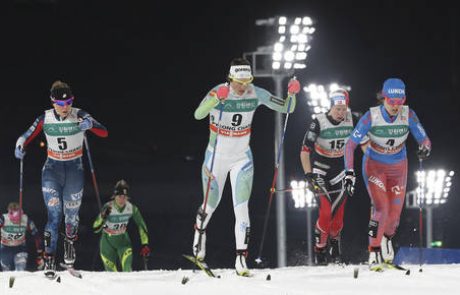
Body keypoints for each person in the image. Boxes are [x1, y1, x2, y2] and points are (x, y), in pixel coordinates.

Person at [191, 57, 300, 276]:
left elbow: (287, 108)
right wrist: (214, 101)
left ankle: (241, 258)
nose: (242, 87)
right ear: (230, 79)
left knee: (241, 208)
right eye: (238, 82)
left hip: (242, 158)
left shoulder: (255, 93)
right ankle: (199, 236)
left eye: (246, 81)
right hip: (216, 158)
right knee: (210, 206)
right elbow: (198, 114)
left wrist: (293, 94)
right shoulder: (218, 91)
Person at [14, 80, 108, 277]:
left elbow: (103, 131)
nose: (66, 107)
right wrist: (20, 145)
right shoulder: (45, 118)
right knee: (54, 215)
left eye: (69, 103)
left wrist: (90, 124)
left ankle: (69, 260)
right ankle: (49, 260)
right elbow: (26, 135)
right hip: (52, 170)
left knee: (71, 218)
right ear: (52, 102)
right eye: (61, 104)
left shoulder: (79, 114)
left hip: (74, 170)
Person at [343, 78, 431, 271]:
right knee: (381, 208)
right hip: (375, 166)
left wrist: (425, 148)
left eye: (399, 102)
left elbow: (424, 139)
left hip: (399, 167)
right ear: (384, 98)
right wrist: (349, 172)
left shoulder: (408, 115)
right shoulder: (370, 117)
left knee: (394, 216)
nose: (395, 106)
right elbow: (350, 145)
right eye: (391, 101)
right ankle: (374, 252)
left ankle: (387, 242)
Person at [300, 89, 368, 265]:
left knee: (338, 217)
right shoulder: (319, 122)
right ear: (331, 106)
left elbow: (364, 145)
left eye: (344, 109)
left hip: (341, 170)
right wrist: (309, 175)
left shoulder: (353, 119)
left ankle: (335, 248)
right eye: (337, 109)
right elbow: (305, 151)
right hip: (320, 169)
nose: (341, 113)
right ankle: (320, 249)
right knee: (325, 212)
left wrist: (372, 166)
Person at [93, 180, 150, 272]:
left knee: (127, 270)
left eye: (124, 197)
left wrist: (145, 244)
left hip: (123, 241)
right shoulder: (108, 207)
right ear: (115, 196)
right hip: (107, 243)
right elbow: (96, 228)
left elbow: (141, 225)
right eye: (119, 196)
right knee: (112, 275)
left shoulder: (131, 208)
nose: (122, 200)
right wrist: (103, 217)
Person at [0, 202, 44, 271]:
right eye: (13, 218)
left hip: (20, 248)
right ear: (9, 212)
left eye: (18, 217)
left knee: (20, 271)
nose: (15, 221)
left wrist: (40, 255)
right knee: (6, 272)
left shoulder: (26, 220)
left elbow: (36, 237)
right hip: (5, 249)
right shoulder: (3, 219)